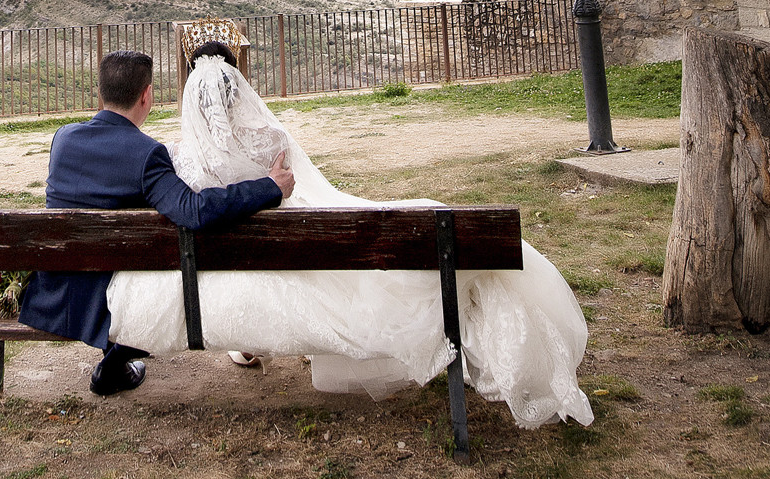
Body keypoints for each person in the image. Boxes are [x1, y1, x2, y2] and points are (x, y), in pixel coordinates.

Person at [106, 50, 594, 429]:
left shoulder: (177, 160)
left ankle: (244, 344)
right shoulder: (272, 145)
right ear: (243, 91)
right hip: (291, 260)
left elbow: (190, 212)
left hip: (222, 281)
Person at [19, 48, 294, 396]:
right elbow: (194, 210)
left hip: (58, 289)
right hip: (109, 297)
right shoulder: (146, 153)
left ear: (100, 94)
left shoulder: (63, 139)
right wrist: (270, 186)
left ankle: (115, 357)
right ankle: (115, 358)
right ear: (146, 95)